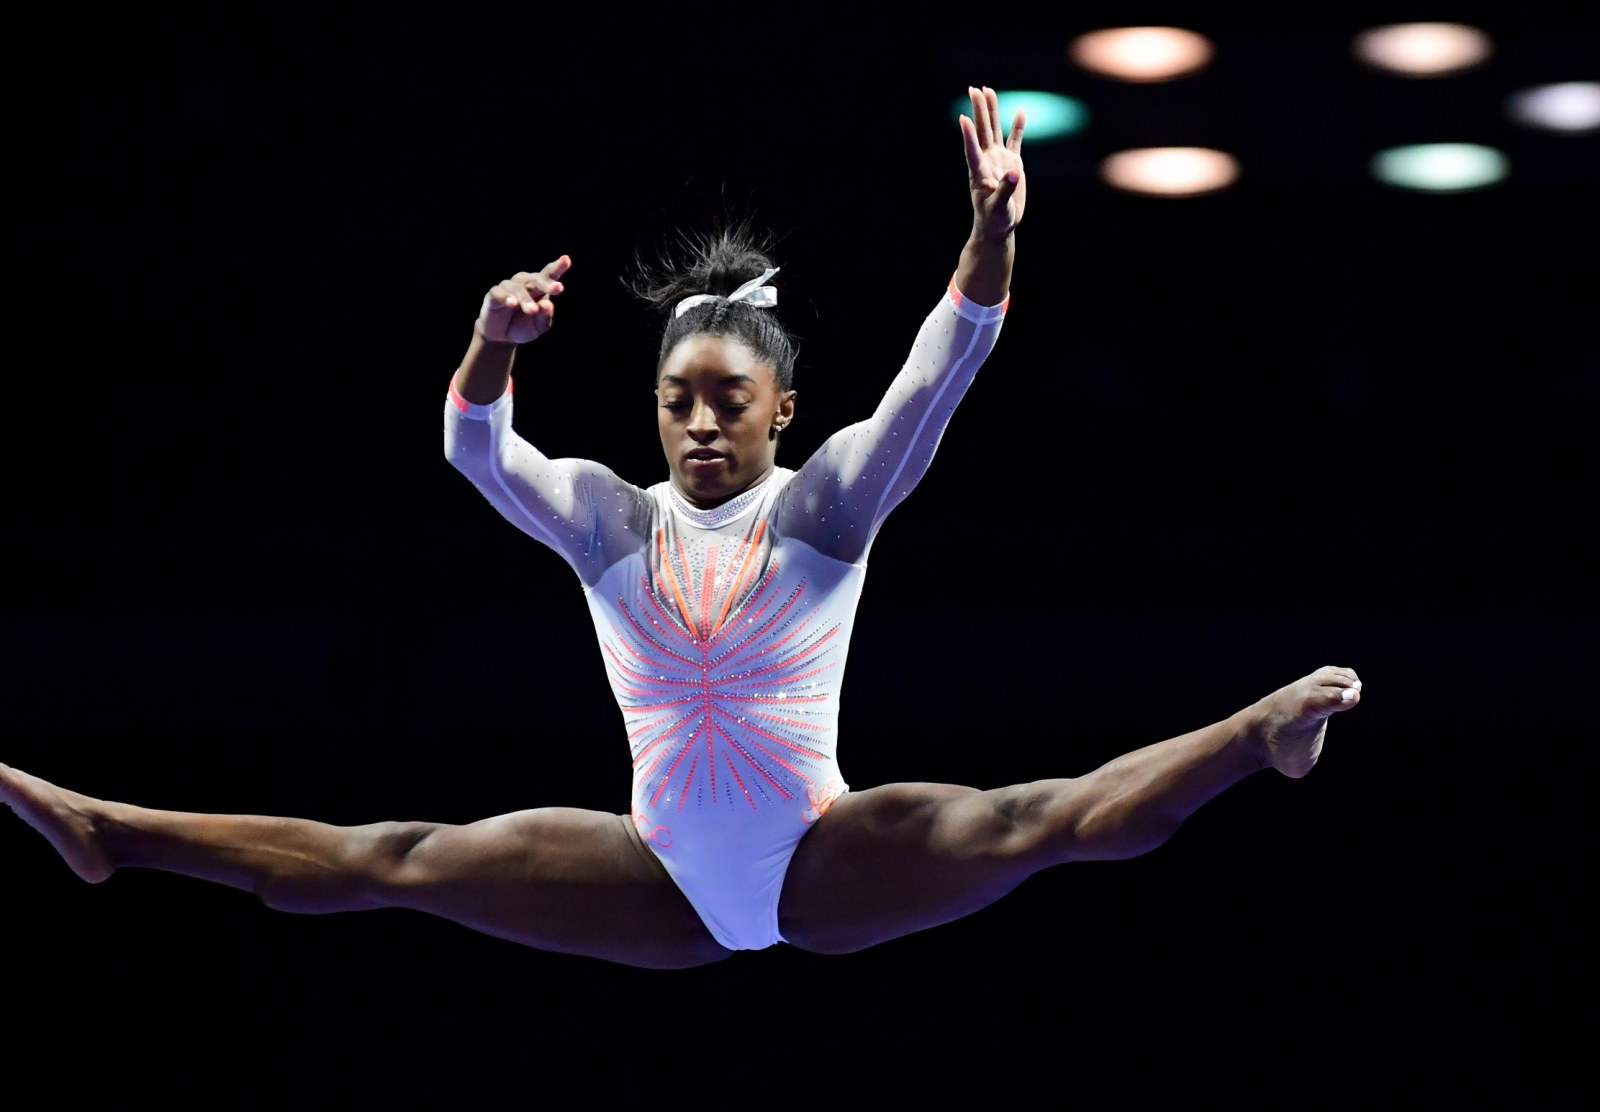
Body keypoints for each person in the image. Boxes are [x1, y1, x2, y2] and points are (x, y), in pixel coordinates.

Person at [1, 86, 1362, 970]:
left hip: (826, 860)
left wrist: (993, 232)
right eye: (676, 401)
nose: (701, 425)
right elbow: (474, 449)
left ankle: (1257, 736)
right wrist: (490, 343)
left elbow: (942, 365)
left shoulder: (826, 504)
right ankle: (108, 828)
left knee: (1033, 820)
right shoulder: (608, 518)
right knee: (392, 859)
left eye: (730, 401)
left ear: (782, 408)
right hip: (653, 875)